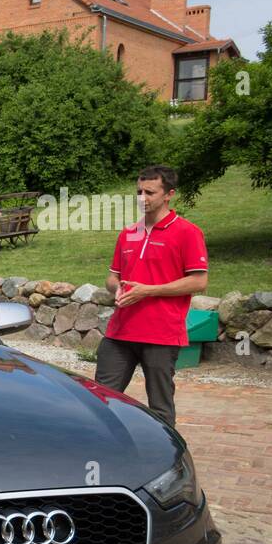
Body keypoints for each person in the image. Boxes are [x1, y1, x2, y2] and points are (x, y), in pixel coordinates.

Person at [96, 165, 209, 426]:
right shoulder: (128, 232)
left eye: (150, 192)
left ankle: (167, 461)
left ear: (169, 194)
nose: (142, 198)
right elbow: (112, 277)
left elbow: (199, 281)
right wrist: (118, 288)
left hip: (161, 334)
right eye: (138, 191)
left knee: (160, 408)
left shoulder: (187, 232)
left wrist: (148, 291)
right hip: (119, 333)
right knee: (100, 401)